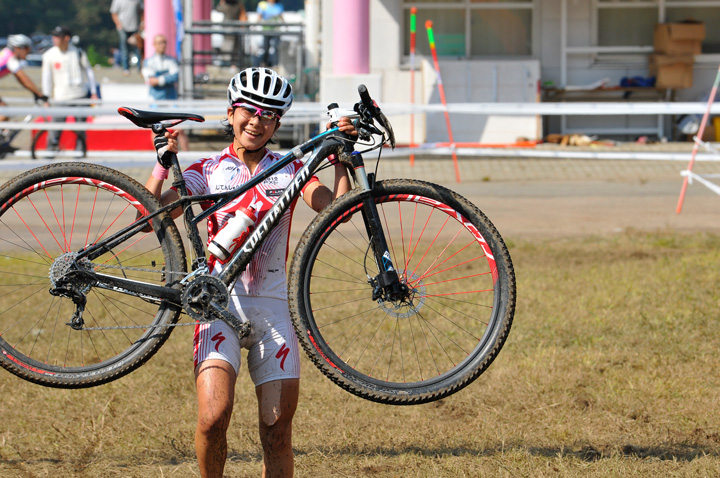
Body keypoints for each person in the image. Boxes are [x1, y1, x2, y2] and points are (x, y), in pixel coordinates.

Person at [146, 67, 356, 478]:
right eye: (249, 111)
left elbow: (336, 210)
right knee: (212, 417)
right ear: (230, 113)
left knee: (276, 429)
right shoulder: (205, 169)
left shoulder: (289, 169)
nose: (257, 122)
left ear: (278, 123)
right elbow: (155, 211)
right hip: (219, 305)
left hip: (274, 307)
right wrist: (160, 165)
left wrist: (343, 159)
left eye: (269, 115)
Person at [41, 26, 98, 153]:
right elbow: (47, 79)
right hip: (60, 97)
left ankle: (80, 153)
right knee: (55, 127)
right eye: (53, 36)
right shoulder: (49, 55)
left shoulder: (78, 52)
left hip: (80, 95)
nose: (54, 39)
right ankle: (50, 151)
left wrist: (93, 92)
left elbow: (89, 72)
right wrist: (46, 97)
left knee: (80, 128)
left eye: (57, 36)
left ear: (66, 38)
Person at [0, 34, 48, 153]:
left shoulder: (6, 54)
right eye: (27, 49)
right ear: (18, 48)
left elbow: (21, 80)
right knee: (4, 112)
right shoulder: (11, 59)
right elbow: (23, 78)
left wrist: (34, 91)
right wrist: (39, 93)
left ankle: (2, 143)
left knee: (4, 112)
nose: (28, 53)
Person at [141, 34, 189, 151]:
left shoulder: (171, 60)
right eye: (159, 42)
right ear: (154, 44)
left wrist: (159, 79)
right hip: (155, 101)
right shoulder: (149, 61)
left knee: (180, 129)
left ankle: (188, 157)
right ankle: (159, 157)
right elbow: (151, 80)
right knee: (156, 130)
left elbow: (175, 76)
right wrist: (166, 78)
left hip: (171, 100)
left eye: (164, 42)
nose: (162, 45)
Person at [110, 0, 143, 75]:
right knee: (124, 48)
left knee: (137, 49)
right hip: (123, 28)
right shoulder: (118, 1)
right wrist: (118, 24)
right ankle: (126, 68)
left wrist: (142, 22)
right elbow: (114, 13)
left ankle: (140, 68)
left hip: (135, 28)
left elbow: (141, 11)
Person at [254, 0, 284, 68]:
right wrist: (255, 25)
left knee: (277, 47)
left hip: (276, 30)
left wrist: (285, 25)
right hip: (266, 29)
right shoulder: (263, 5)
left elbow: (281, 17)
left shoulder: (278, 5)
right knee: (266, 47)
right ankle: (264, 63)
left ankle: (276, 64)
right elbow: (259, 16)